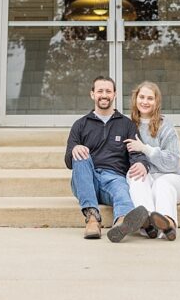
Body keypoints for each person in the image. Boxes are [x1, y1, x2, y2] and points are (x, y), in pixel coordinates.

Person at [64, 76, 151, 241]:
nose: (104, 95)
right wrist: (75, 148)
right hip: (85, 178)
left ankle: (122, 221)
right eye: (100, 91)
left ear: (115, 95)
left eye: (108, 91)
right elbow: (69, 161)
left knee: (121, 189)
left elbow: (136, 152)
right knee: (80, 154)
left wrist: (142, 164)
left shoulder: (126, 125)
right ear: (92, 94)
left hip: (113, 177)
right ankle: (92, 219)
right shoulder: (80, 124)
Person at [124, 81, 180, 241]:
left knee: (162, 184)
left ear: (156, 101)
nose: (145, 102)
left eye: (150, 98)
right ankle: (148, 223)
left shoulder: (166, 126)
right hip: (146, 180)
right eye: (142, 97)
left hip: (172, 179)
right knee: (134, 177)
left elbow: (173, 162)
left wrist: (145, 148)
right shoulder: (127, 124)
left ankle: (168, 223)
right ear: (135, 98)